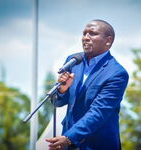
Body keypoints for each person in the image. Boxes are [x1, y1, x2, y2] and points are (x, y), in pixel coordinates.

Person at [45, 19, 129, 150]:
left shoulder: (117, 73)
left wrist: (69, 138)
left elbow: (99, 112)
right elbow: (59, 103)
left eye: (92, 33)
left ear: (108, 41)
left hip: (98, 144)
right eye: (84, 33)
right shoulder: (73, 61)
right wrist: (62, 91)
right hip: (68, 143)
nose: (86, 38)